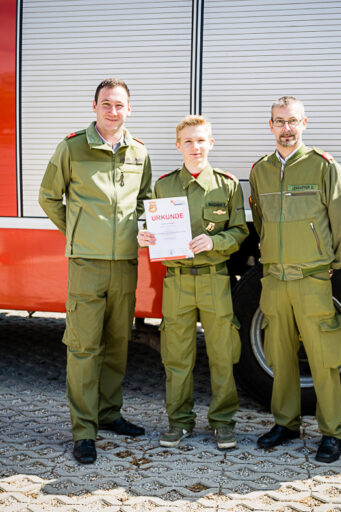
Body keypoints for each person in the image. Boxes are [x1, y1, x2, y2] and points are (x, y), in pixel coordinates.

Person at [38, 78, 152, 464]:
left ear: (129, 109)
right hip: (86, 264)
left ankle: (108, 414)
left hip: (125, 264)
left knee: (117, 344)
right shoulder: (72, 147)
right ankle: (83, 431)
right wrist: (78, 230)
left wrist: (145, 229)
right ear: (94, 106)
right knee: (84, 347)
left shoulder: (139, 152)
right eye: (106, 104)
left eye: (120, 105)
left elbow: (145, 202)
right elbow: (49, 196)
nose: (113, 111)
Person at [249, 96, 341, 463]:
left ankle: (332, 431)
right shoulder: (260, 169)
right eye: (279, 121)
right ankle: (286, 423)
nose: (286, 129)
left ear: (304, 124)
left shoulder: (324, 166)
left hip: (312, 279)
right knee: (280, 354)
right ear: (270, 125)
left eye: (292, 121)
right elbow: (261, 220)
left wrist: (332, 263)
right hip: (275, 280)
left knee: (324, 357)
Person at [138, 115, 247, 450]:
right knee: (176, 356)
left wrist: (216, 242)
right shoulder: (165, 186)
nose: (195, 147)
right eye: (188, 141)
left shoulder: (227, 185)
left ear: (210, 143)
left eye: (201, 140)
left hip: (215, 280)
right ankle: (180, 422)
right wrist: (146, 237)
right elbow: (155, 232)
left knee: (222, 355)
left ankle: (223, 423)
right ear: (178, 145)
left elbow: (240, 231)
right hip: (178, 281)